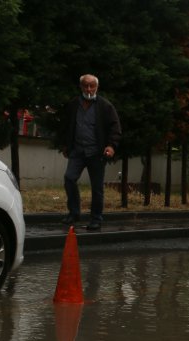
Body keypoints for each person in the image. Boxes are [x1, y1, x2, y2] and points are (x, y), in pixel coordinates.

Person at [59, 74, 122, 231]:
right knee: (69, 178)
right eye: (85, 86)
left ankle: (96, 219)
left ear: (97, 87)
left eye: (92, 86)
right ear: (81, 87)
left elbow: (115, 128)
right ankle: (74, 213)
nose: (89, 89)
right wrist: (66, 146)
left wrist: (111, 146)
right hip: (77, 151)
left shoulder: (105, 106)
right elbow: (66, 126)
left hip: (96, 152)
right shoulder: (74, 104)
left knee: (97, 188)